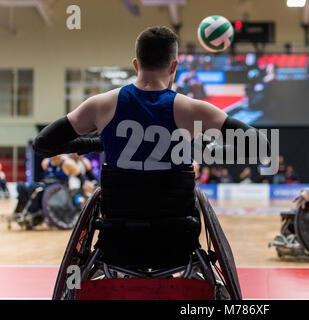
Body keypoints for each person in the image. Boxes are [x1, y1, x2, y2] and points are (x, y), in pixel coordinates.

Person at [32, 26, 269, 268]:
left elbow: (43, 144)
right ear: (174, 67)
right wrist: (200, 144)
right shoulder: (193, 110)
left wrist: (96, 142)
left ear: (136, 64)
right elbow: (260, 145)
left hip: (117, 242)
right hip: (177, 244)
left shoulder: (100, 105)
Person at [13, 154, 82, 215]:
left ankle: (33, 211)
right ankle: (23, 208)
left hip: (58, 189)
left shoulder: (68, 163)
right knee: (20, 185)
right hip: (46, 185)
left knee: (33, 187)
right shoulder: (46, 162)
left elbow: (82, 179)